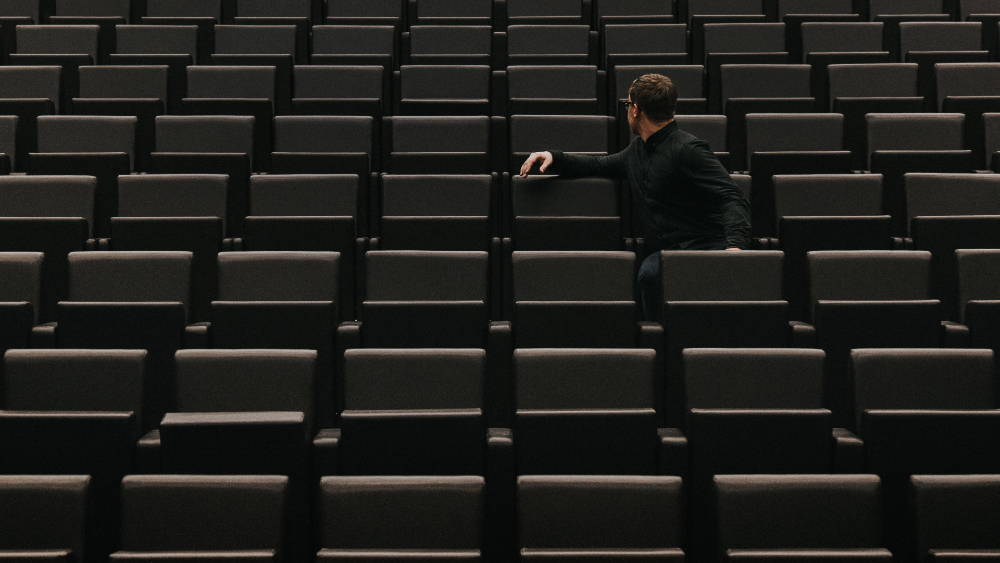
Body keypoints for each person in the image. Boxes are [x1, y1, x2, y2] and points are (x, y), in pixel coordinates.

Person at [519, 73, 751, 322]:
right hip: (667, 254)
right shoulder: (637, 152)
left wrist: (734, 248)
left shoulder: (688, 149)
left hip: (708, 246)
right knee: (650, 274)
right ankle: (659, 339)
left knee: (654, 273)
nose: (627, 110)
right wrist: (553, 157)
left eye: (628, 104)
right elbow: (597, 164)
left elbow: (731, 195)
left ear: (636, 110)